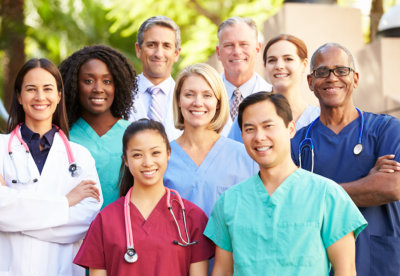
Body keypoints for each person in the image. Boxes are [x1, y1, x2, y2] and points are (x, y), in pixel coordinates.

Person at [204, 92, 367, 275]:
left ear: (290, 129)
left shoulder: (327, 195)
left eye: (268, 126)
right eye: (250, 129)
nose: (259, 137)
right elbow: (222, 271)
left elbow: (346, 270)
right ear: (242, 135)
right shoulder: (229, 202)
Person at [291, 43, 400, 275]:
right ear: (310, 82)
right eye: (322, 72)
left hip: (382, 260)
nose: (332, 78)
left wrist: (315, 194)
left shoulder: (386, 129)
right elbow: (292, 205)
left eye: (341, 70)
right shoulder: (297, 144)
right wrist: (368, 182)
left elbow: (392, 186)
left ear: (356, 78)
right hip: (322, 264)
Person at [0, 58, 102, 275]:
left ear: (58, 96)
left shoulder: (81, 157)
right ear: (19, 96)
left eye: (47, 89)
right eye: (31, 89)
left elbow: (85, 222)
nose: (40, 97)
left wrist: (15, 216)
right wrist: (65, 202)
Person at [74, 119, 214, 275]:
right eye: (137, 155)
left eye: (155, 153)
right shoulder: (105, 220)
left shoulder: (191, 217)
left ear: (168, 154)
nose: (148, 162)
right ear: (126, 160)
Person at [163, 63, 258, 217]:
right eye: (189, 94)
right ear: (178, 100)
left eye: (207, 95)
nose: (198, 102)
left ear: (218, 102)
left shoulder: (245, 157)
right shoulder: (162, 157)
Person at [59, 44, 137, 208]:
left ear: (118, 85)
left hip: (122, 230)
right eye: (88, 80)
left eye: (107, 81)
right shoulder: (63, 136)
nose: (98, 89)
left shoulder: (134, 134)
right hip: (75, 231)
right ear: (74, 84)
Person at [228, 34, 320, 142]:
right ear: (265, 66)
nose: (279, 66)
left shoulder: (319, 118)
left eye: (288, 59)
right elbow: (230, 155)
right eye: (272, 60)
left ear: (304, 65)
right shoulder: (248, 115)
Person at [129, 16, 182, 140]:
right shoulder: (120, 94)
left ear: (176, 54)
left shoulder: (189, 99)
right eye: (152, 45)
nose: (158, 54)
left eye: (166, 46)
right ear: (138, 50)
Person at [216, 16, 272, 133]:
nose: (237, 51)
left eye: (244, 44)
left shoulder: (272, 95)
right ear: (218, 52)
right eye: (229, 45)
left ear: (257, 49)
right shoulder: (206, 96)